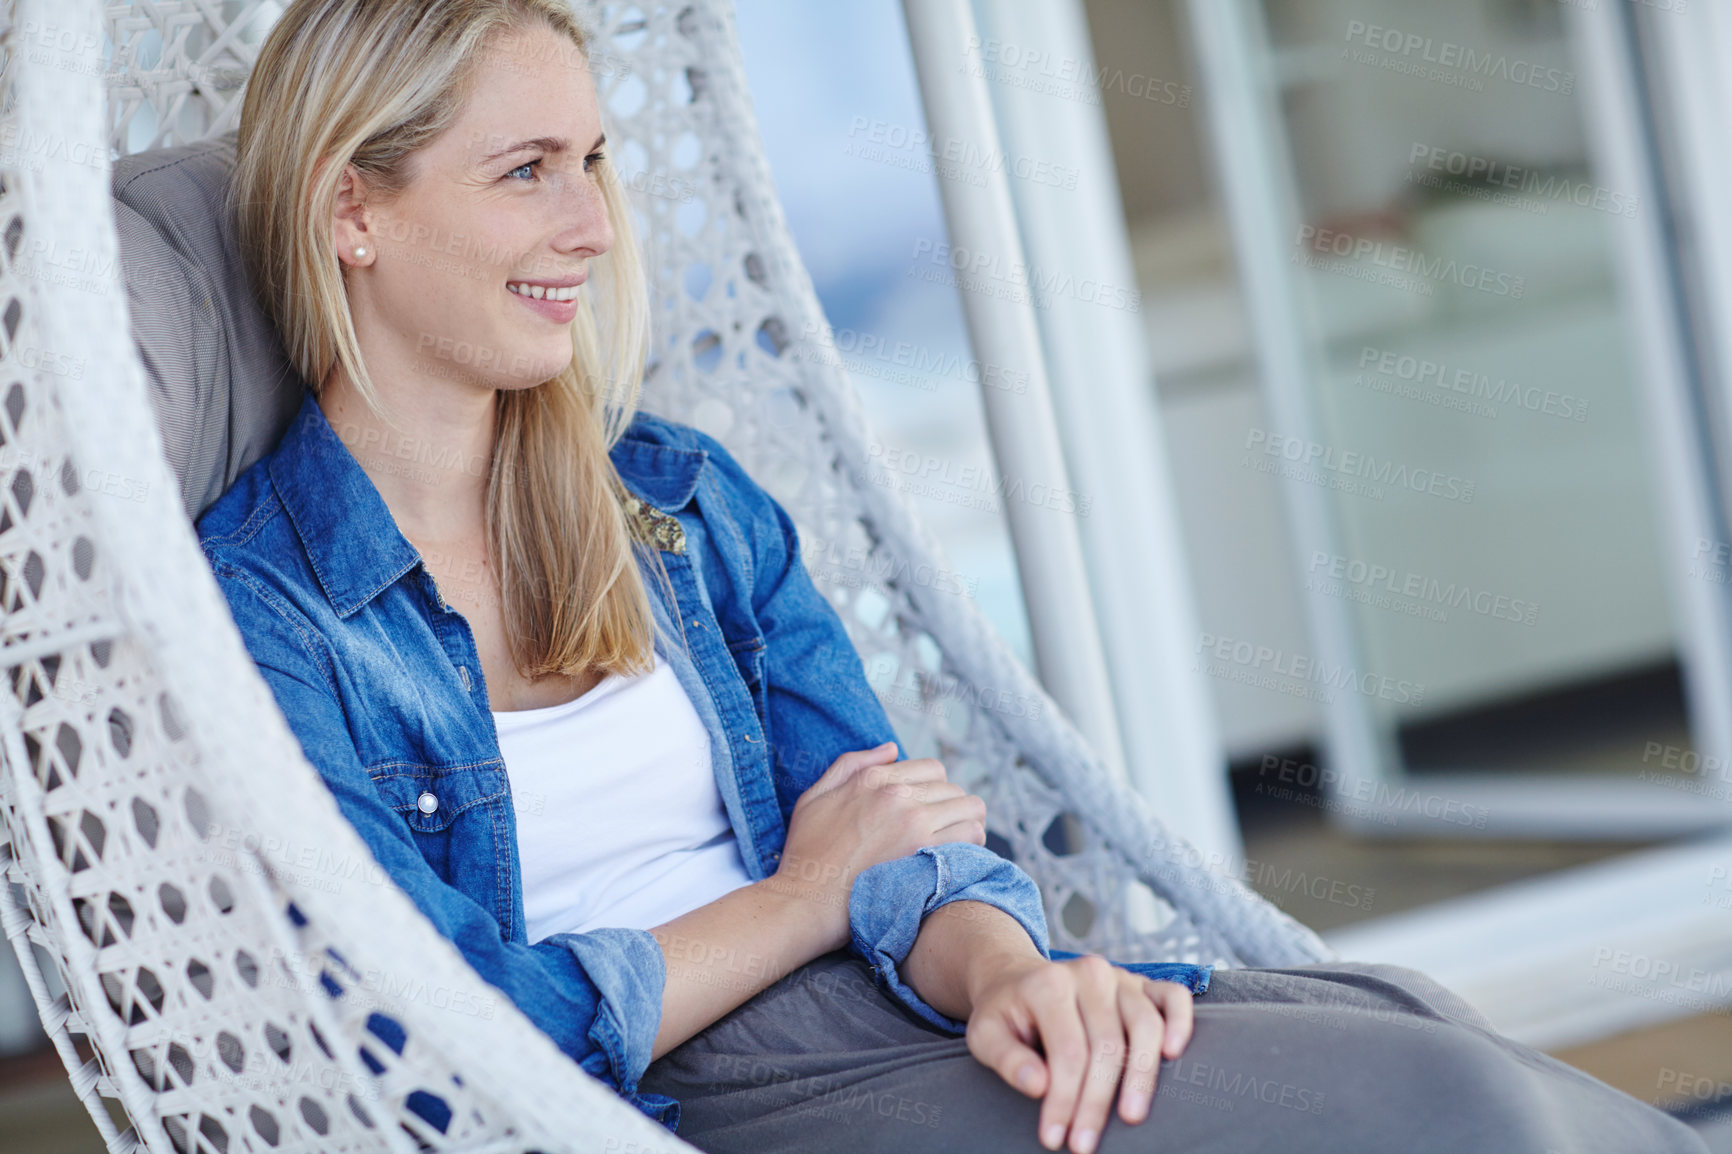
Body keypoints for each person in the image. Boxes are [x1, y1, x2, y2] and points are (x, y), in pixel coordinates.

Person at [194, 2, 1708, 1151]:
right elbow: (426, 1032)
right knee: (1437, 1101)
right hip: (682, 1094)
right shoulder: (264, 605)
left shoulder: (674, 499)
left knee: (1424, 1037)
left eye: (592, 163)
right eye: (528, 171)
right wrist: (799, 900)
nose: (592, 225)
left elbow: (893, 825)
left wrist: (1007, 972)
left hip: (889, 993)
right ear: (354, 210)